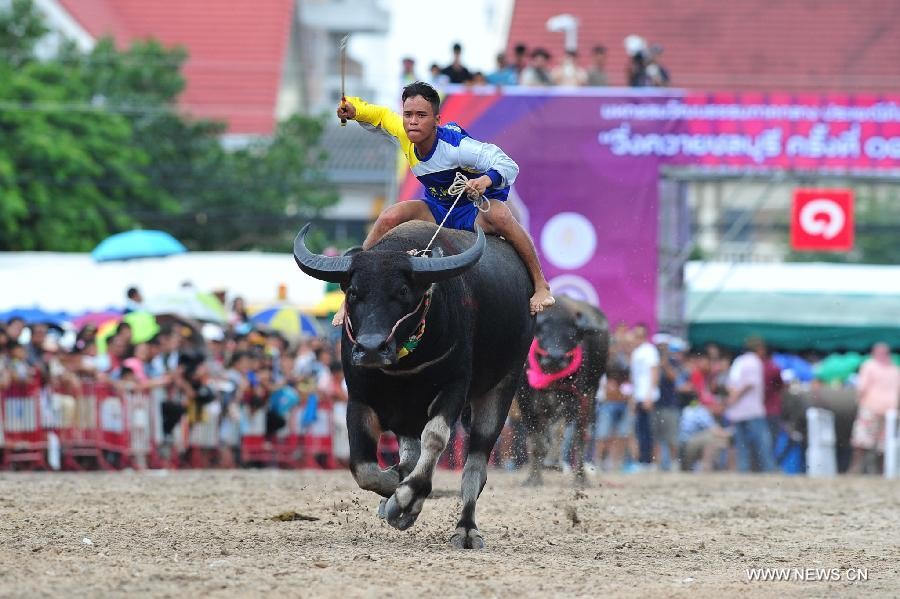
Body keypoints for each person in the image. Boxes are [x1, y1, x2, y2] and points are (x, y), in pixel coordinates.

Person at [333, 81, 555, 325]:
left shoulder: (458, 147)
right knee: (388, 217)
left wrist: (484, 179)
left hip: (470, 209)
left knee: (501, 216)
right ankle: (350, 297)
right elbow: (382, 116)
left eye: (421, 115)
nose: (413, 121)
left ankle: (540, 284)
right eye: (408, 115)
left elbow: (508, 165)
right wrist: (354, 110)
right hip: (436, 207)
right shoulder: (403, 131)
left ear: (437, 119)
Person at [848, 342, 900, 474]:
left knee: (862, 440)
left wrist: (858, 400)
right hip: (890, 410)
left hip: (870, 406)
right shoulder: (895, 370)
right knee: (883, 443)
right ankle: (881, 471)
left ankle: (856, 468)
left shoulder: (869, 366)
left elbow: (862, 387)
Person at [726, 336, 775, 473]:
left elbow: (730, 383)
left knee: (741, 443)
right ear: (759, 349)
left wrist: (733, 397)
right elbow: (750, 383)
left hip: (737, 410)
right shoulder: (754, 362)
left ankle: (743, 469)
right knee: (762, 441)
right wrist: (737, 396)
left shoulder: (738, 361)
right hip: (752, 408)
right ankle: (768, 469)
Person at [629, 323, 659, 468]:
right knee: (640, 430)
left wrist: (649, 395)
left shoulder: (649, 350)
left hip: (647, 396)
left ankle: (648, 461)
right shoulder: (636, 352)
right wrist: (634, 398)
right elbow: (635, 378)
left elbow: (654, 372)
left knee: (647, 430)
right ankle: (642, 460)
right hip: (639, 395)